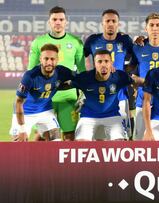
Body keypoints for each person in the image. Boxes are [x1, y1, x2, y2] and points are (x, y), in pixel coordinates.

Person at [28, 6, 85, 141]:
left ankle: (66, 163)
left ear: (66, 22)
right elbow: (30, 71)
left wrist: (84, 93)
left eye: (61, 19)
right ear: (49, 22)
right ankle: (36, 162)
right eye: (54, 19)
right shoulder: (38, 42)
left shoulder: (76, 42)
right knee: (42, 136)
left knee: (70, 135)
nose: (58, 22)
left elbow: (82, 71)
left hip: (69, 98)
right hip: (45, 98)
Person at [84, 9, 135, 138]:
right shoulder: (93, 40)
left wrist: (124, 74)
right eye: (108, 21)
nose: (111, 24)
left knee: (122, 135)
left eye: (114, 21)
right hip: (97, 95)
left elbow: (135, 59)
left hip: (119, 96)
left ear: (118, 24)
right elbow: (83, 60)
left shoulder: (125, 40)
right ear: (102, 23)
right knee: (98, 137)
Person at [71, 50, 141, 141]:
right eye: (99, 62)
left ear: (111, 63)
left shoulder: (119, 76)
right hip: (88, 117)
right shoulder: (85, 77)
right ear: (94, 64)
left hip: (112, 116)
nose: (103, 64)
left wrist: (142, 85)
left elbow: (136, 81)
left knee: (120, 144)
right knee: (81, 145)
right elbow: (65, 84)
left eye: (106, 61)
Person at [10, 44, 74, 141]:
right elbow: (18, 102)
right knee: (18, 144)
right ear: (40, 59)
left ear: (57, 60)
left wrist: (84, 94)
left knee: (56, 142)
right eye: (46, 59)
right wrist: (22, 129)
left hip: (46, 111)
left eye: (52, 59)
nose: (49, 62)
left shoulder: (62, 72)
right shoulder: (30, 76)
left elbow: (81, 80)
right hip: (25, 113)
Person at [131, 13, 159, 140]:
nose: (155, 28)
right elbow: (131, 71)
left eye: (158, 25)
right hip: (143, 102)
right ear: (146, 28)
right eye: (151, 25)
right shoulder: (138, 47)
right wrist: (135, 80)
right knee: (139, 141)